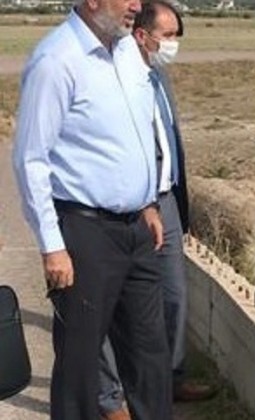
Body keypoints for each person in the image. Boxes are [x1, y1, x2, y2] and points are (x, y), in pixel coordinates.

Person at [11, 0, 172, 418]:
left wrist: (149, 203)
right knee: (81, 365)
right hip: (84, 234)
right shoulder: (57, 60)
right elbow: (31, 160)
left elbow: (136, 137)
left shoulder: (126, 55)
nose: (137, 5)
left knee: (150, 355)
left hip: (137, 229)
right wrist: (52, 245)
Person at [96, 1, 215, 418]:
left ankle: (169, 379)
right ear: (142, 35)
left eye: (178, 36)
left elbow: (169, 142)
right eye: (169, 36)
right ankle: (110, 400)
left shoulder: (157, 76)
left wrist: (179, 207)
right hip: (124, 206)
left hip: (164, 203)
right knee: (109, 305)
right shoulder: (114, 75)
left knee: (173, 297)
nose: (174, 45)